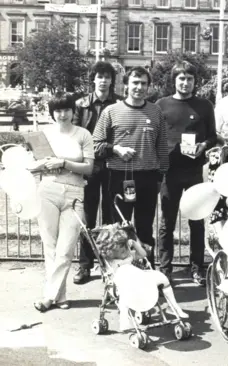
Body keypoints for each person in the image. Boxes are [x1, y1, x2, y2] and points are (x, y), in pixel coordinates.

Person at [93, 66, 169, 269]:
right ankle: (118, 274)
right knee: (118, 229)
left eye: (144, 83)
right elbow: (95, 144)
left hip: (148, 178)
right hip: (118, 177)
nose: (139, 87)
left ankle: (147, 271)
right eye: (135, 82)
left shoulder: (155, 111)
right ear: (126, 85)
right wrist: (116, 149)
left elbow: (162, 146)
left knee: (145, 228)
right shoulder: (111, 111)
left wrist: (161, 174)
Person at [156, 61, 217, 286]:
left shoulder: (204, 106)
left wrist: (203, 145)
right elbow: (155, 136)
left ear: (194, 81)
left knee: (197, 221)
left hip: (193, 172)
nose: (185, 82)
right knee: (167, 223)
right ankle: (165, 269)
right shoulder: (161, 105)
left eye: (189, 79)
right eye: (181, 78)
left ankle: (197, 268)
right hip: (169, 172)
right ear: (174, 80)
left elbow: (213, 136)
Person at [33, 92, 94, 312]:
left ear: (73, 111)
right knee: (50, 247)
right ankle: (59, 296)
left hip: (75, 192)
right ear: (52, 113)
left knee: (65, 249)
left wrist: (63, 163)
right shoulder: (44, 134)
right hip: (47, 190)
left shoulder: (83, 134)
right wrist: (41, 165)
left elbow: (89, 168)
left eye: (66, 109)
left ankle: (48, 298)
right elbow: (33, 165)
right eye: (57, 110)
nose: (62, 114)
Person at [72, 61, 123, 285]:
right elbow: (75, 135)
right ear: (93, 79)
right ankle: (85, 265)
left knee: (112, 218)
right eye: (99, 76)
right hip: (90, 167)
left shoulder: (121, 103)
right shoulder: (81, 105)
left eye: (107, 76)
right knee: (87, 218)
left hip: (113, 165)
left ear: (112, 80)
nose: (103, 80)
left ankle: (111, 266)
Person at [95, 224, 188, 331]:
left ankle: (175, 307)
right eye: (122, 251)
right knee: (123, 291)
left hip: (139, 280)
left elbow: (143, 254)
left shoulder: (129, 255)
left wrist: (134, 243)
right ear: (111, 253)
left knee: (163, 278)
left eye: (126, 247)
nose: (126, 251)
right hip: (124, 286)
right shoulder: (112, 263)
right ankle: (124, 320)